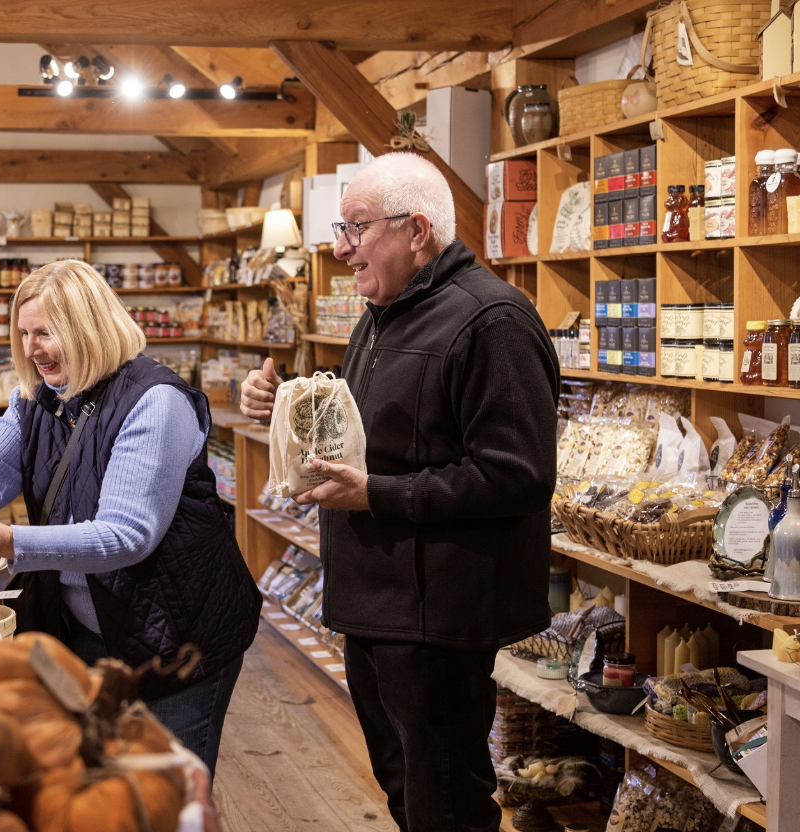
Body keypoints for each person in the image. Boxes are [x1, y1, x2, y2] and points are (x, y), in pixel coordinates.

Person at [240, 153, 560, 832]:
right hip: (374, 601)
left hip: (438, 612)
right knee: (404, 789)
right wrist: (284, 402)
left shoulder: (493, 322)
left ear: (416, 231)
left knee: (445, 799)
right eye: (341, 227)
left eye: (355, 228)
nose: (339, 246)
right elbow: (372, 424)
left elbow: (518, 474)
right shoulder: (380, 312)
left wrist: (379, 495)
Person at [0, 259, 261, 774]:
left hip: (177, 638)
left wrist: (11, 541)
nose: (31, 348)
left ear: (88, 329)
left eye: (46, 332)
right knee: (98, 780)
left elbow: (127, 535)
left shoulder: (156, 401)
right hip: (93, 630)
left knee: (167, 793)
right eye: (24, 333)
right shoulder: (38, 403)